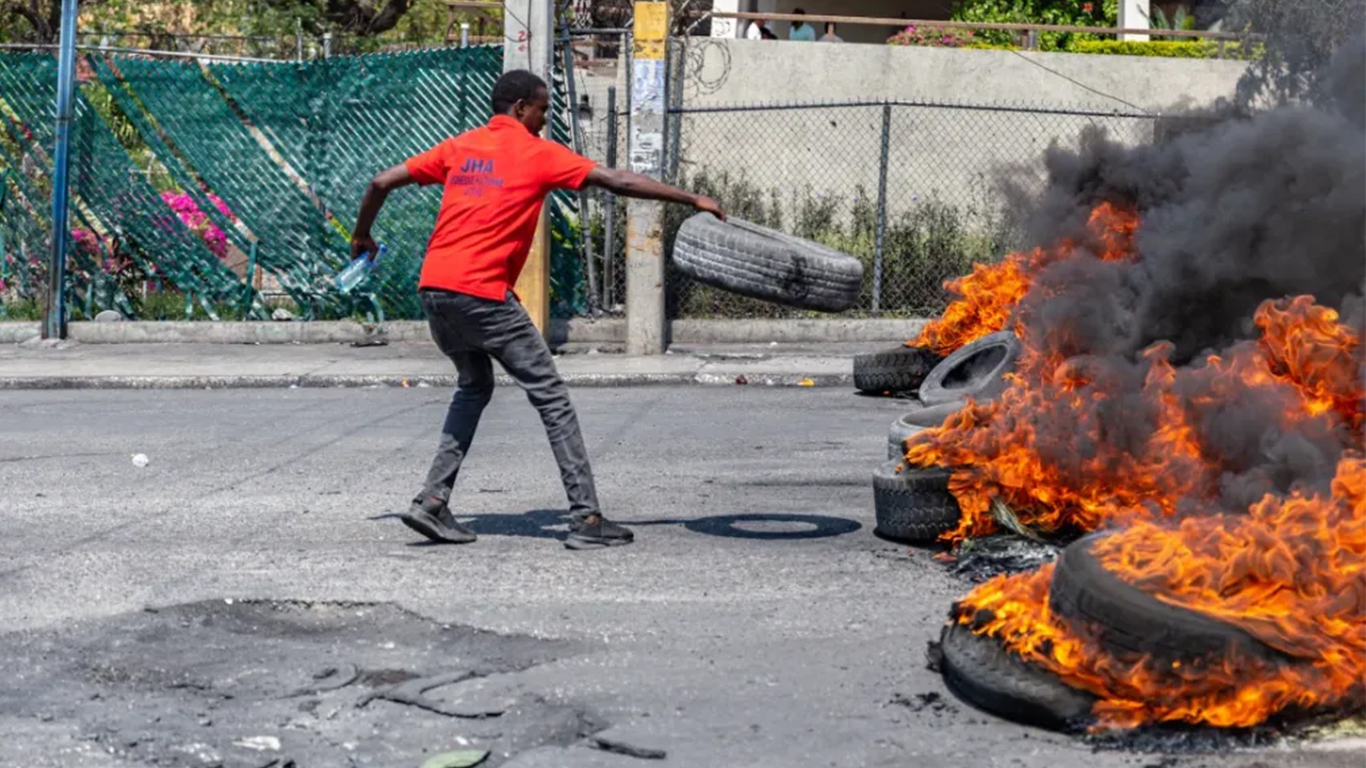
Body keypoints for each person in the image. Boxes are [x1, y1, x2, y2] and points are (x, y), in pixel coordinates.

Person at [351, 69, 724, 551]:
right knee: (552, 398)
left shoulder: (458, 148)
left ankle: (431, 503)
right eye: (544, 109)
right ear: (520, 108)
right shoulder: (537, 153)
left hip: (435, 290)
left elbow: (381, 181)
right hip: (482, 294)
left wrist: (362, 236)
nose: (546, 119)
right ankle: (586, 518)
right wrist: (690, 197)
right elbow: (616, 180)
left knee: (474, 386)